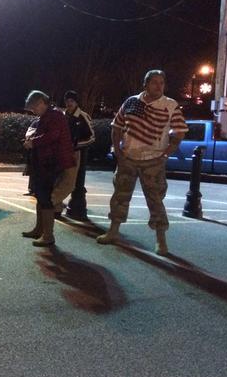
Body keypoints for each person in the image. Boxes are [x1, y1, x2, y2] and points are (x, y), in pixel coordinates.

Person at [96, 70, 187, 255]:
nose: (159, 86)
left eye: (162, 82)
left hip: (154, 160)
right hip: (128, 158)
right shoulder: (131, 102)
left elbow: (179, 132)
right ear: (145, 84)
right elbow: (117, 126)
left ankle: (161, 241)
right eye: (154, 82)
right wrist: (118, 152)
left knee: (156, 201)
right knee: (120, 196)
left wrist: (165, 154)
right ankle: (113, 232)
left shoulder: (170, 105)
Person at [22, 90, 75, 246]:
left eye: (34, 108)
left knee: (45, 197)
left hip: (51, 163)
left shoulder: (55, 116)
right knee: (41, 195)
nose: (33, 111)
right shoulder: (49, 116)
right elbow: (49, 135)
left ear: (41, 103)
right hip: (46, 161)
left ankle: (48, 235)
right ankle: (39, 230)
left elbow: (53, 135)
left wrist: (33, 142)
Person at [50, 90, 95, 214]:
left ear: (76, 102)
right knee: (60, 180)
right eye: (67, 101)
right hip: (61, 153)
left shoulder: (82, 116)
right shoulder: (63, 116)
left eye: (72, 101)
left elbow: (91, 137)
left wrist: (74, 145)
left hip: (74, 154)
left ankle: (49, 203)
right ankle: (56, 207)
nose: (69, 103)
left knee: (69, 183)